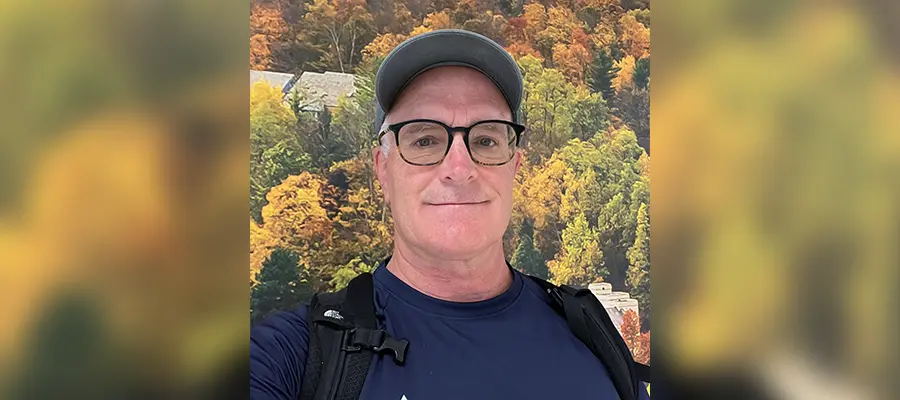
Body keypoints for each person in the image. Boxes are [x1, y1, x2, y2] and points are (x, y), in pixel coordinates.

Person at [250, 29, 650, 400]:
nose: (459, 168)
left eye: (486, 139)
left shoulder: (589, 332)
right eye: (424, 139)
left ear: (515, 167)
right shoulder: (299, 356)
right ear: (382, 171)